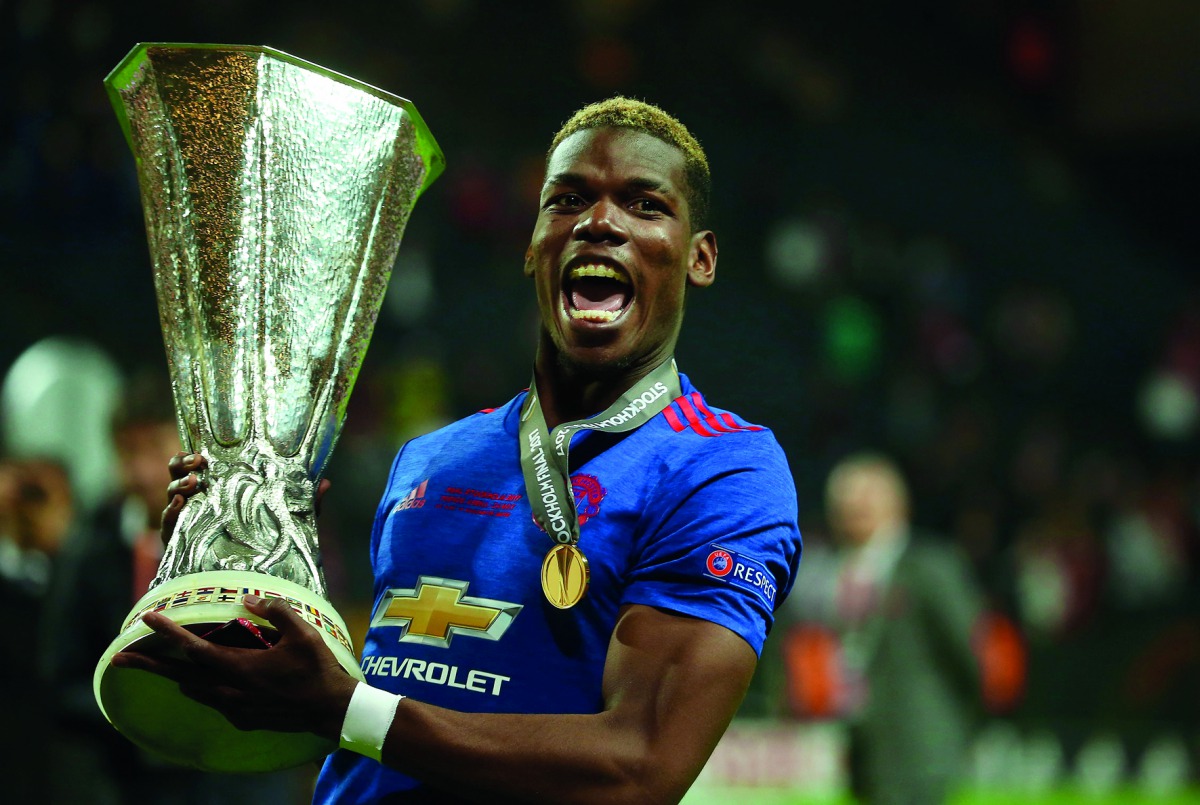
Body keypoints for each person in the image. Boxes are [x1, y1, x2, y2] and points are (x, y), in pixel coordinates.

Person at [113, 97, 804, 804]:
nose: (599, 222)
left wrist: (345, 708)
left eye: (644, 204)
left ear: (700, 257)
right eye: (567, 200)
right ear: (534, 243)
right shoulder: (429, 457)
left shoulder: (723, 472)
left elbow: (640, 765)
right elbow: (387, 695)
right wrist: (234, 568)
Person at [786, 452, 983, 805]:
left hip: (920, 744)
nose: (853, 507)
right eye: (844, 499)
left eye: (866, 497)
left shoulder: (931, 566)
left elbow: (972, 652)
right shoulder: (831, 569)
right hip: (862, 745)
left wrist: (957, 725)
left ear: (898, 503)